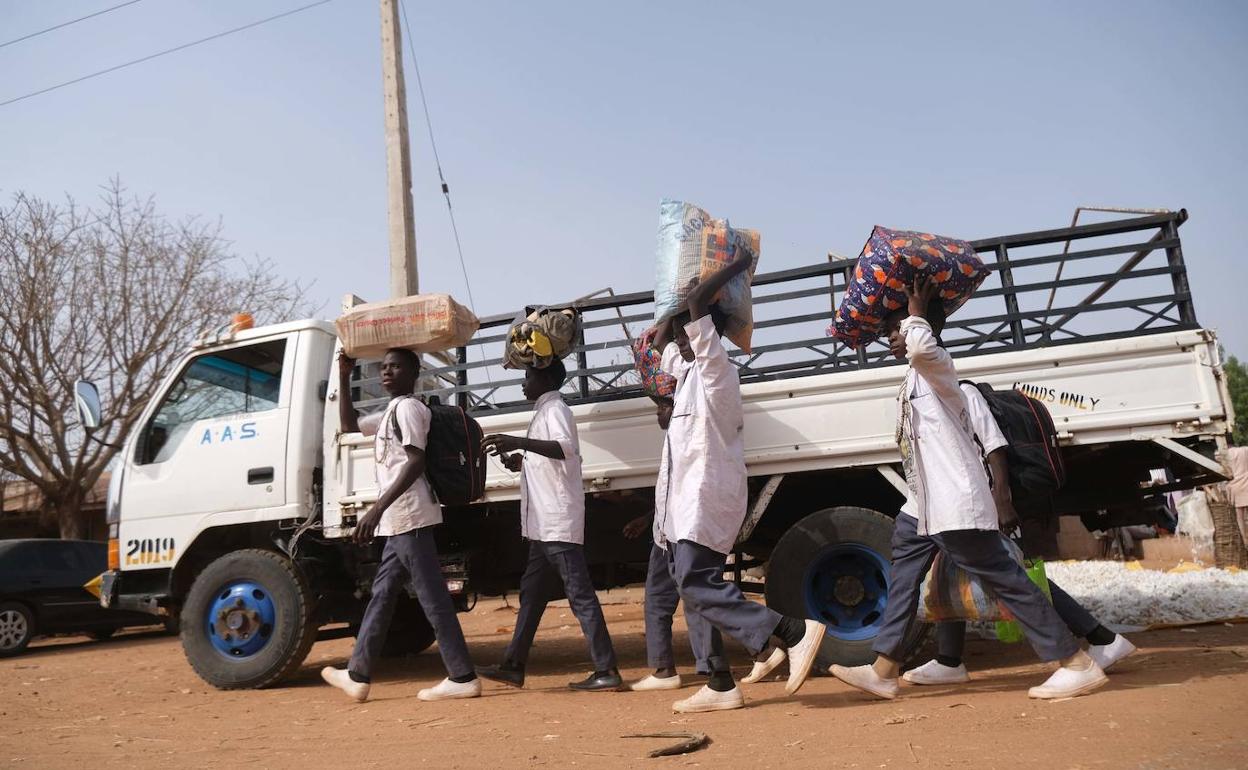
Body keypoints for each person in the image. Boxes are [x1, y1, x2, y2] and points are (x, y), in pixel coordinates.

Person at [830, 276, 1108, 700]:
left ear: (920, 327)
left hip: (955, 503)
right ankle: (884, 669)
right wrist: (912, 318)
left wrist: (917, 314)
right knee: (903, 573)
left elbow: (924, 349)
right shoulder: (914, 378)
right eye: (890, 331)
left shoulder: (937, 363)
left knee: (1006, 579)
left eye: (897, 329)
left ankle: (1075, 661)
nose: (891, 337)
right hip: (924, 505)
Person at [642, 245, 825, 713]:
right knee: (692, 584)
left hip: (707, 497)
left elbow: (700, 306)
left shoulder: (715, 369)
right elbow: (659, 343)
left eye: (690, 330)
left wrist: (738, 266)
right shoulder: (684, 373)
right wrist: (669, 311)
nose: (681, 339)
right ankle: (722, 682)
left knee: (697, 582)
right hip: (683, 503)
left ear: (706, 333)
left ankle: (791, 632)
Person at [903, 381, 1136, 686]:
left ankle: (1100, 637)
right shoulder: (928, 394)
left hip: (983, 502)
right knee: (956, 568)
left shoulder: (964, 393)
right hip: (960, 502)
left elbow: (994, 445)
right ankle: (949, 660)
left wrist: (1002, 500)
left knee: (1014, 575)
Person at [322, 349, 479, 703]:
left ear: (414, 372)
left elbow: (415, 461)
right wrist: (345, 378)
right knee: (382, 593)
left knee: (432, 597)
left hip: (410, 516)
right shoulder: (390, 411)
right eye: (384, 367)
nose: (387, 372)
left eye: (396, 366)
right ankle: (358, 674)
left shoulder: (409, 409)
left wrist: (376, 510)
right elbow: (348, 426)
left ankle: (462, 675)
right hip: (398, 522)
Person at [476, 360, 623, 691]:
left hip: (556, 524)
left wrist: (518, 443)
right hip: (543, 528)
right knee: (531, 594)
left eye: (528, 376)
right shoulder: (544, 412)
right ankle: (514, 665)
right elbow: (550, 460)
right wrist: (521, 462)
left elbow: (564, 449)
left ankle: (607, 669)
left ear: (545, 378)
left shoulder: (555, 408)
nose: (523, 383)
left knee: (580, 595)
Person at [621, 395, 724, 690]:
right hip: (666, 532)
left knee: (690, 598)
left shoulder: (688, 443)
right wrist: (647, 519)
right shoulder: (674, 443)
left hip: (683, 533)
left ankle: (699, 668)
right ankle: (675, 667)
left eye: (665, 407)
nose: (659, 413)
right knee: (662, 598)